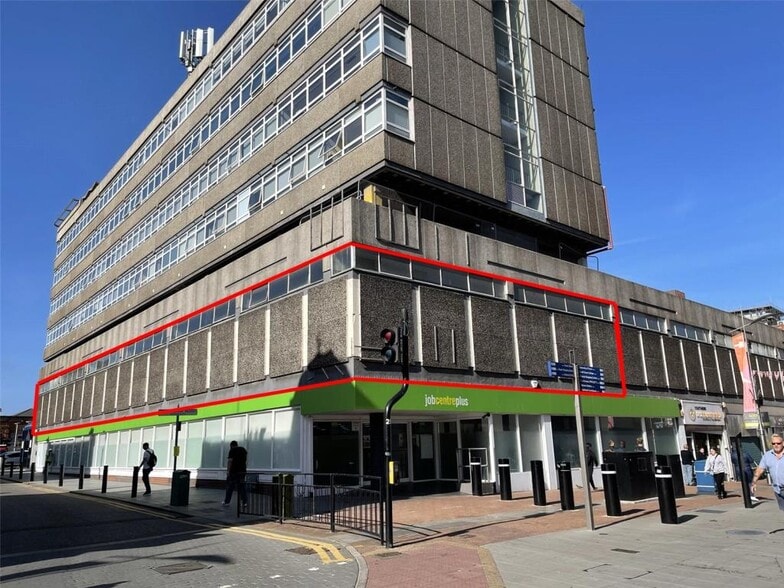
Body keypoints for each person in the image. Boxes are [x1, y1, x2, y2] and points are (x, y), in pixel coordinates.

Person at [751, 433, 784, 511]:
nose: (776, 445)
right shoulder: (767, 456)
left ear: (783, 443)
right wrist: (754, 482)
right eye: (773, 443)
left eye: (778, 443)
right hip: (777, 489)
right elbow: (760, 469)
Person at [222, 440, 248, 507]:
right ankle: (244, 502)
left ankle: (227, 502)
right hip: (242, 471)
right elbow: (245, 460)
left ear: (231, 446)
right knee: (242, 487)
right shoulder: (243, 450)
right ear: (237, 444)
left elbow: (230, 461)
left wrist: (228, 471)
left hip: (234, 471)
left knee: (230, 487)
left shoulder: (232, 450)